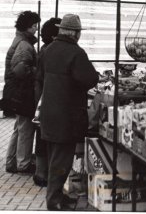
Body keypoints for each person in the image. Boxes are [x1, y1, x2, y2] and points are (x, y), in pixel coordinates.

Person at [37, 14, 98, 211]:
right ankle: (53, 201)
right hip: (66, 115)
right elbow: (89, 79)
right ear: (75, 33)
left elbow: (39, 77)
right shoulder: (76, 52)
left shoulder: (47, 50)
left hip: (49, 113)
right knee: (61, 161)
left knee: (54, 157)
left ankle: (57, 197)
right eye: (79, 32)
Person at [4, 10, 41, 173]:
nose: (36, 30)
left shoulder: (19, 40)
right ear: (27, 27)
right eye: (34, 26)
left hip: (16, 92)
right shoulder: (24, 45)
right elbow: (20, 70)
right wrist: (36, 71)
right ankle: (23, 164)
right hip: (23, 92)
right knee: (26, 128)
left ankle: (12, 162)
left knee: (19, 127)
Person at [33, 17, 62, 187]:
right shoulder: (50, 51)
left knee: (42, 136)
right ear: (54, 36)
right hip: (45, 98)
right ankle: (42, 174)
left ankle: (41, 172)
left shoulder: (45, 49)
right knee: (44, 136)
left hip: (42, 97)